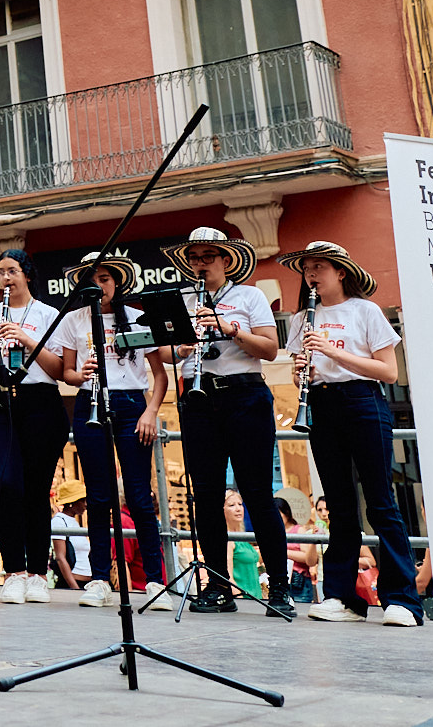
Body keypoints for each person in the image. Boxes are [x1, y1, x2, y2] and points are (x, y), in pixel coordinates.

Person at [280, 239, 423, 627]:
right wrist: (301, 373)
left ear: (340, 272)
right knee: (340, 506)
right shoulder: (301, 318)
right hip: (323, 406)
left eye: (318, 268)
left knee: (380, 502)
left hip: (363, 401)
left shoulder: (365, 310)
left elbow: (389, 372)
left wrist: (332, 352)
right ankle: (342, 597)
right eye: (306, 269)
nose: (310, 275)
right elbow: (297, 371)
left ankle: (403, 601)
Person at [162, 226, 293, 618]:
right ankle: (217, 586)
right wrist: (182, 347)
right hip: (199, 398)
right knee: (205, 495)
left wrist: (228, 328)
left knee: (257, 493)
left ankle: (279, 589)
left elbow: (270, 349)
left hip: (245, 395)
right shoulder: (181, 299)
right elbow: (167, 355)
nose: (200, 264)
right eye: (194, 258)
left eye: (207, 257)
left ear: (225, 259)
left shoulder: (249, 296)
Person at [46, 253, 167, 607]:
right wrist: (79, 373)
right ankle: (99, 579)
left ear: (117, 282)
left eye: (105, 279)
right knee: (98, 496)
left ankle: (155, 582)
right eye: (92, 280)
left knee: (140, 497)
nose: (99, 286)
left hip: (132, 405)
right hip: (89, 401)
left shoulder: (139, 318)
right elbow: (66, 373)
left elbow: (159, 375)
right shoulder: (73, 319)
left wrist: (151, 412)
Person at [0, 248, 66, 605]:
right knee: (5, 484)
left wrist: (26, 339)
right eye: (0, 272)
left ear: (26, 274)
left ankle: (38, 572)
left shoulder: (49, 314)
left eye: (12, 271)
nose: (5, 278)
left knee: (37, 489)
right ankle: (13, 571)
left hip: (40, 402)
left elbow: (58, 370)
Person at [225, 489, 263, 597]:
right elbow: (228, 577)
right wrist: (239, 598)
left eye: (240, 504)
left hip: (256, 597)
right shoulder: (229, 540)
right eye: (231, 505)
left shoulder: (243, 537)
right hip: (244, 598)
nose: (238, 509)